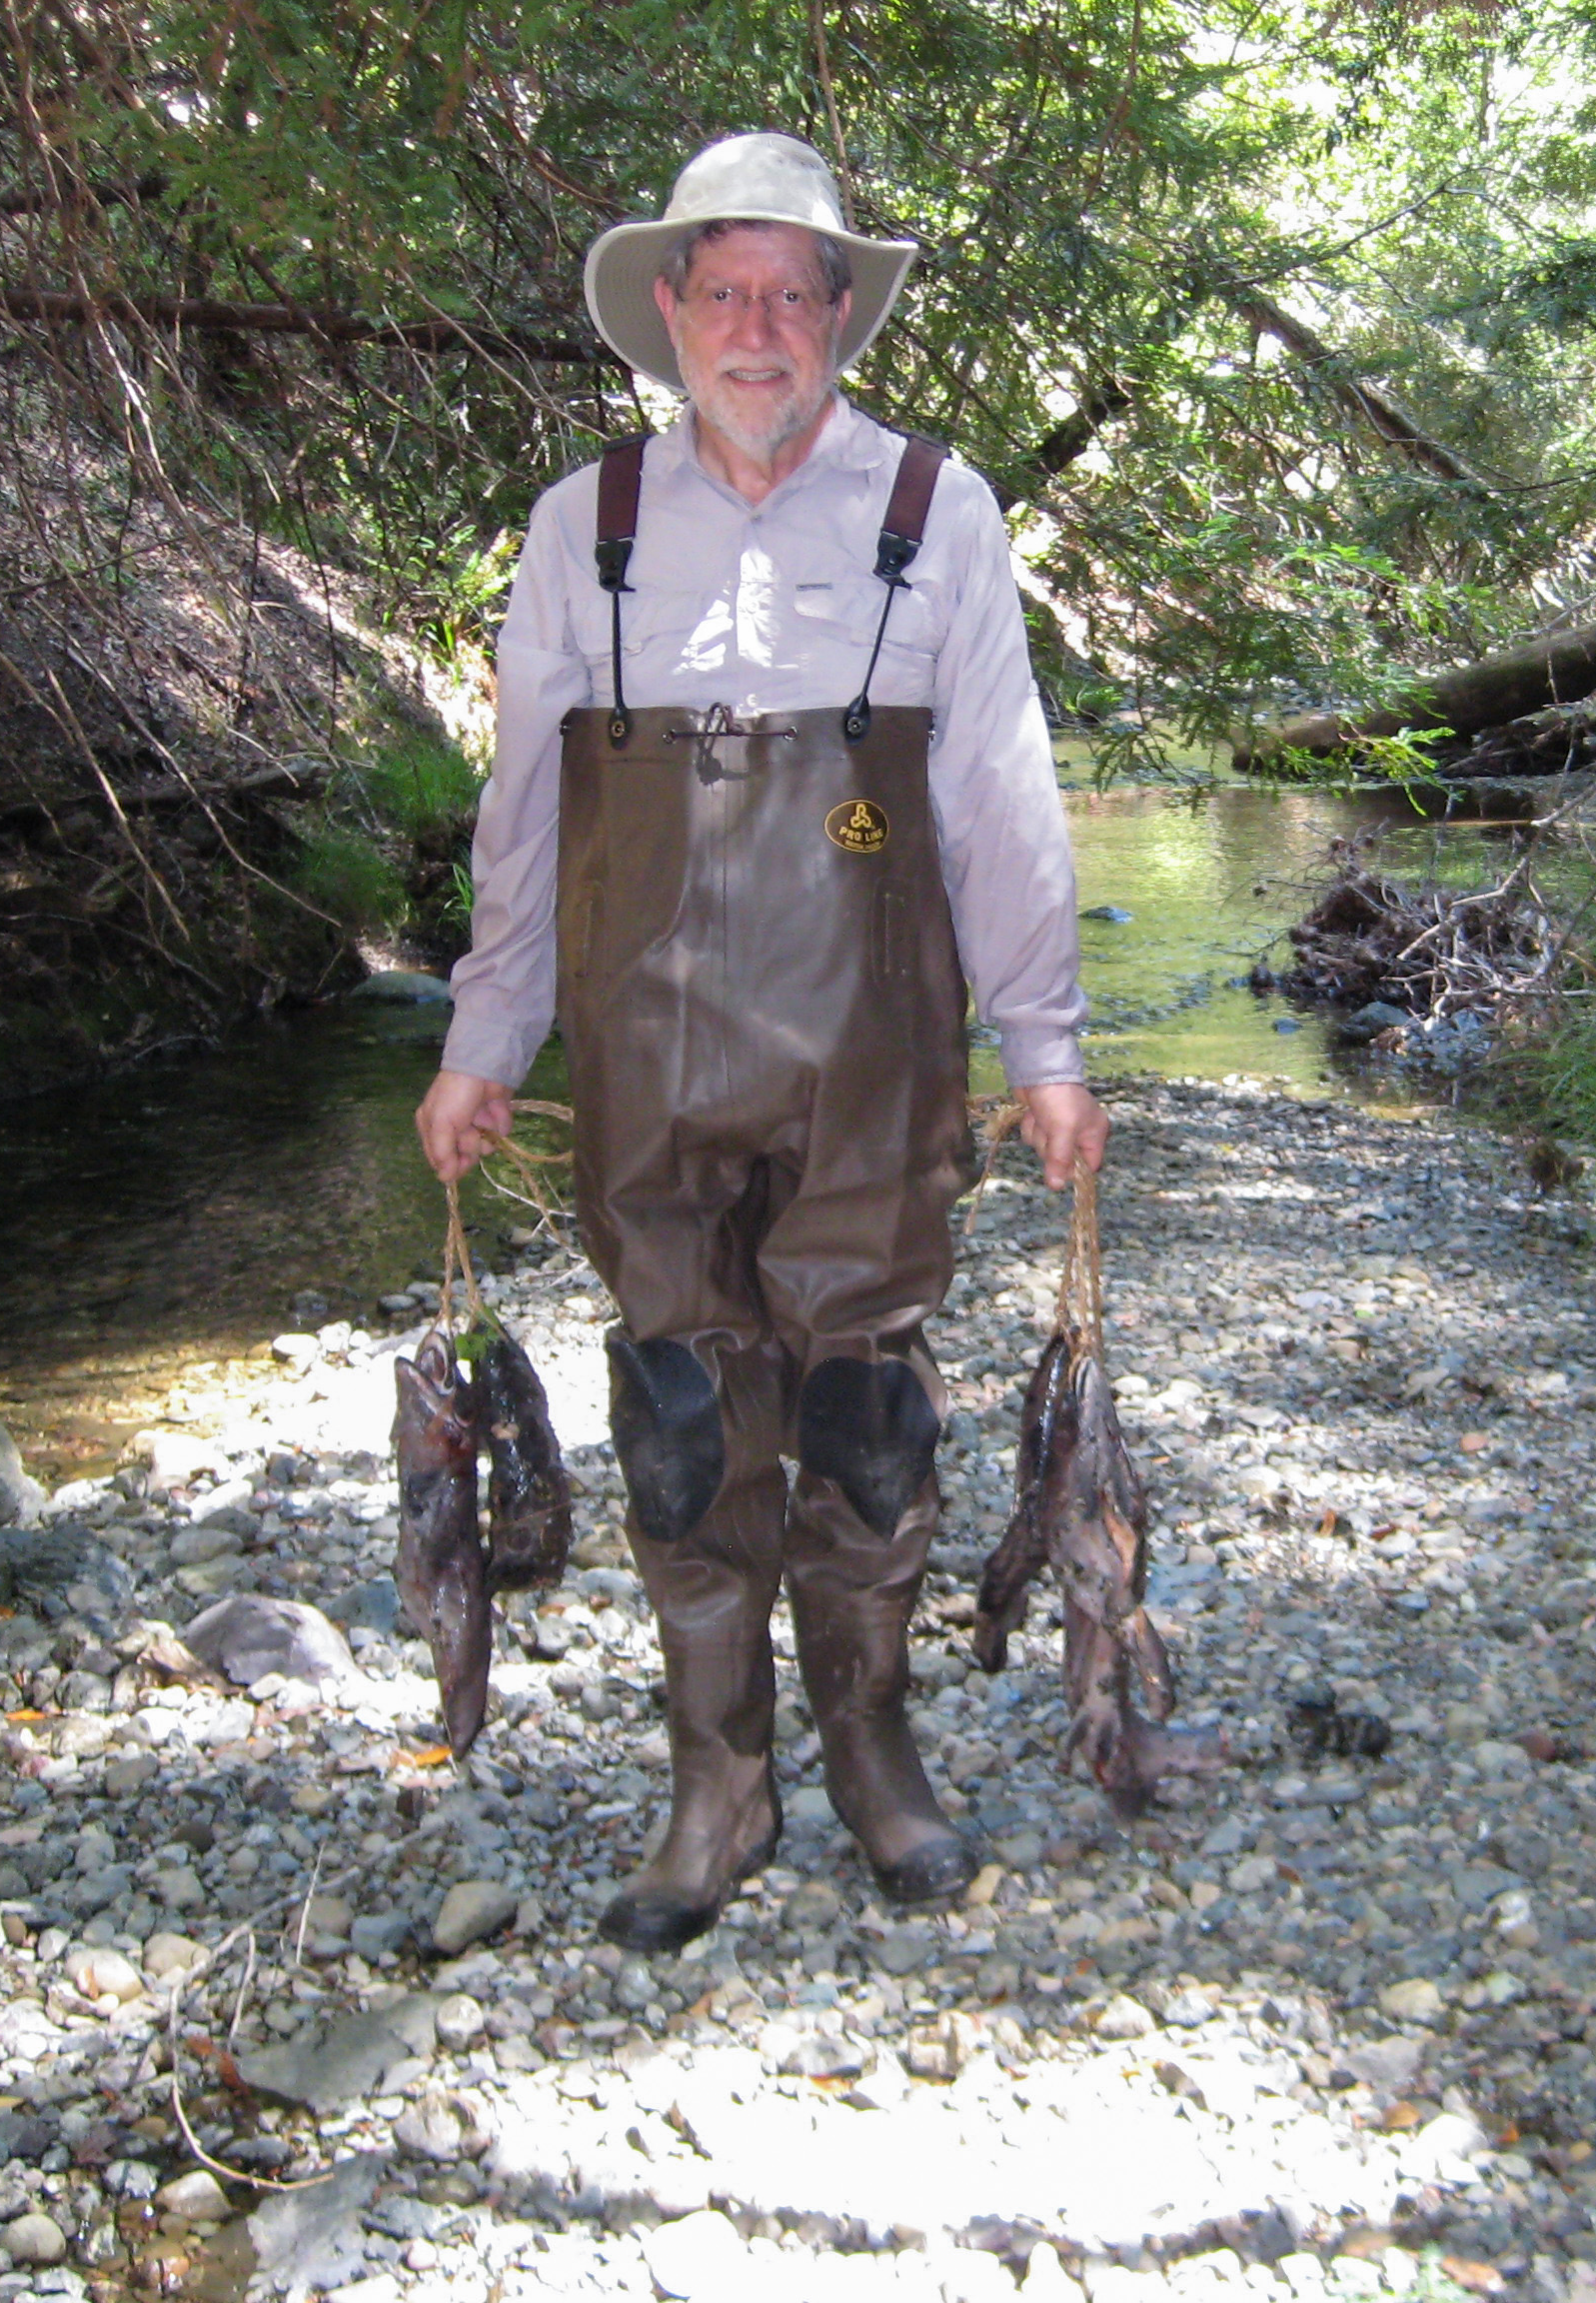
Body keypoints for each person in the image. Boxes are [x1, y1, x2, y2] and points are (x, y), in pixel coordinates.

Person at [415, 131, 1105, 1952]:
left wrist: (1042, 1040)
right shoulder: (588, 526)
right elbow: (525, 809)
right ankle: (717, 1780)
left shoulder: (937, 513)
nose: (758, 325)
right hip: (644, 1046)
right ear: (668, 311)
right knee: (676, 1410)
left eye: (794, 294)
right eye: (724, 289)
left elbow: (996, 792)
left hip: (873, 1039)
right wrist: (490, 1031)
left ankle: (873, 1746)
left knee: (869, 1410)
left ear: (839, 320)